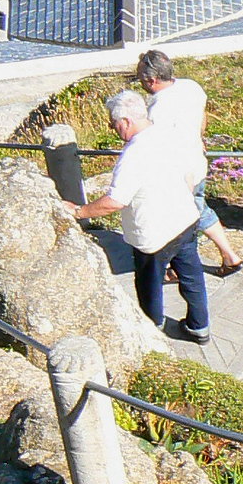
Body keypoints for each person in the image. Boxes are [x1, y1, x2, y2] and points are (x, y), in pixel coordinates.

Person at [71, 90, 209, 342]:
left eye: (114, 124)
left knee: (149, 284)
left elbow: (116, 200)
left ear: (125, 122)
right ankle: (199, 327)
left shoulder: (134, 154)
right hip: (185, 218)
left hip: (153, 233)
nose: (115, 130)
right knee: (192, 275)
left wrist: (80, 211)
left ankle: (152, 330)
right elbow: (189, 177)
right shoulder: (168, 135)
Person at [133, 50, 243, 278]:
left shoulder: (158, 110)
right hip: (197, 164)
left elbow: (156, 145)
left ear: (151, 80)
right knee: (200, 210)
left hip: (179, 174)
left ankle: (174, 267)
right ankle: (229, 256)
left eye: (140, 77)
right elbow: (202, 117)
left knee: (176, 218)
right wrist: (199, 137)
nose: (139, 81)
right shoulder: (191, 87)